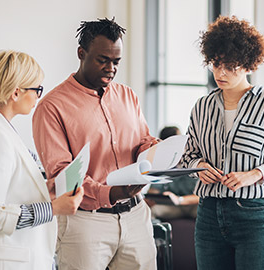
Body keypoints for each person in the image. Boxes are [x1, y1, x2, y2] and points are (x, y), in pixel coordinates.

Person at [181, 16, 264, 270]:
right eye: (216, 64)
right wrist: (199, 165)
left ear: (249, 65)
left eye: (231, 66)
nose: (221, 73)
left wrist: (256, 174)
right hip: (208, 216)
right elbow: (187, 155)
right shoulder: (202, 107)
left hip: (256, 216)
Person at [32, 18, 157, 269]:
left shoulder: (127, 95)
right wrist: (110, 193)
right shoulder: (52, 107)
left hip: (136, 217)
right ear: (81, 53)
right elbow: (62, 174)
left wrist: (157, 152)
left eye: (116, 62)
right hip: (85, 223)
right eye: (103, 60)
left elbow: (143, 140)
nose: (111, 68)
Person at [0, 50, 84, 270]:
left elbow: (7, 188)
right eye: (37, 90)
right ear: (16, 93)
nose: (38, 97)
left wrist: (46, 190)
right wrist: (53, 208)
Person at [147, 126, 199, 220]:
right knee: (150, 211)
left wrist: (179, 200)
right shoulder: (162, 165)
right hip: (172, 207)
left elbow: (202, 196)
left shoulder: (193, 160)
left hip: (193, 206)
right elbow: (154, 191)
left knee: (207, 211)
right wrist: (151, 198)